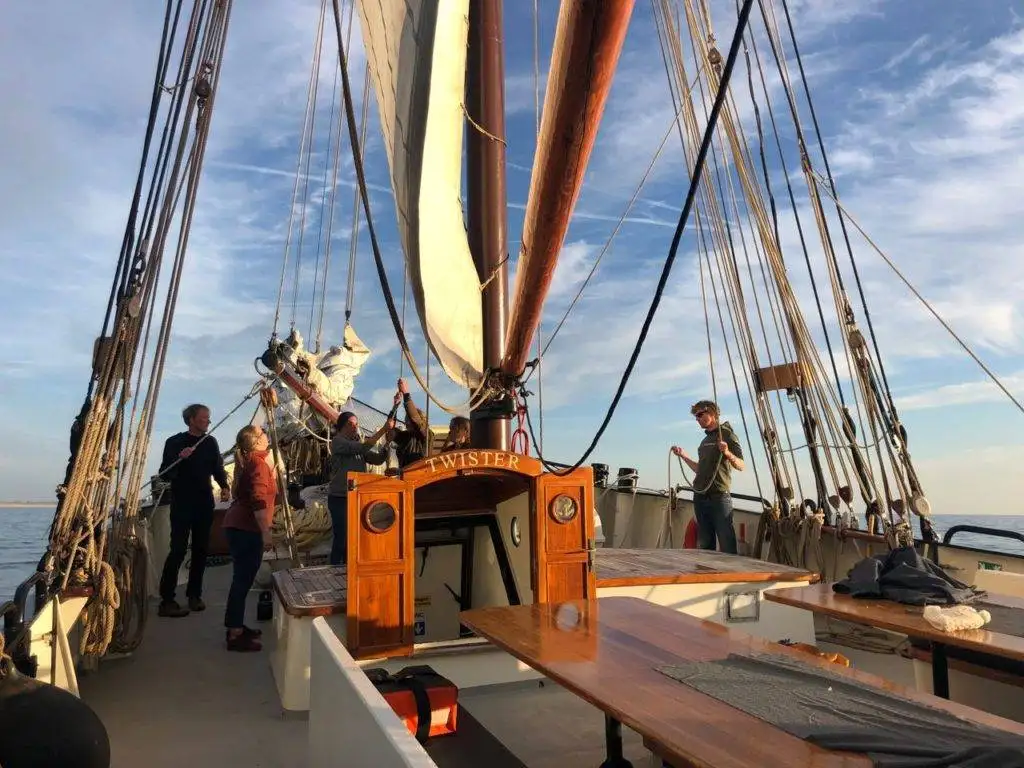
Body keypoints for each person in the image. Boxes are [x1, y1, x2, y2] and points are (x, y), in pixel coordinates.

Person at [157, 403, 230, 617]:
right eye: (204, 418)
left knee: (201, 550)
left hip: (204, 503)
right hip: (182, 504)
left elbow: (217, 468)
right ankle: (167, 600)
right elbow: (164, 474)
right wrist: (180, 458)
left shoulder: (210, 442)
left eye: (208, 417)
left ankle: (194, 595)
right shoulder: (174, 442)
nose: (208, 421)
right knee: (178, 550)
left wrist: (224, 486)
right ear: (191, 420)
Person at [221, 424, 276, 652]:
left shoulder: (252, 462)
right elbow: (258, 499)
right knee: (242, 581)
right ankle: (235, 634)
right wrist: (266, 532)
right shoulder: (258, 464)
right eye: (262, 433)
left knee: (241, 580)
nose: (266, 434)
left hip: (239, 526)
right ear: (255, 442)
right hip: (246, 528)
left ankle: (237, 627)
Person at [671, 400, 745, 554]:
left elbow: (741, 465)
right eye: (696, 417)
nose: (697, 419)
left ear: (711, 412)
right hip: (700, 496)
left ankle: (729, 576)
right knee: (704, 545)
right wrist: (683, 455)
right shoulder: (704, 441)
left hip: (719, 497)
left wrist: (727, 453)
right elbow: (700, 469)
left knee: (726, 542)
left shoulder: (727, 434)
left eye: (699, 415)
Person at [327, 410, 394, 565]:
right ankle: (335, 568)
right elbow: (361, 448)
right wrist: (383, 430)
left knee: (353, 537)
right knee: (341, 537)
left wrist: (387, 445)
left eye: (356, 424)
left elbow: (376, 459)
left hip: (355, 496)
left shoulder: (358, 445)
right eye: (351, 424)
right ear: (342, 426)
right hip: (339, 498)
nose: (355, 427)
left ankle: (348, 568)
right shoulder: (337, 442)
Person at [390, 378, 429, 467]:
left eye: (409, 420)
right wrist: (395, 407)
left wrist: (406, 394)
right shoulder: (405, 436)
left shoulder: (426, 435)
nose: (406, 423)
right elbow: (390, 430)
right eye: (406, 420)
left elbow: (416, 421)